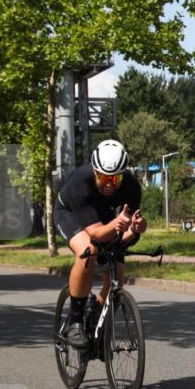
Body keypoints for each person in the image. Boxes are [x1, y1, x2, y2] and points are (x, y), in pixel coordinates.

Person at [53, 140, 147, 348]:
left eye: (115, 178)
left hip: (104, 218)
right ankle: (75, 321)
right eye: (104, 177)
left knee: (117, 279)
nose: (109, 184)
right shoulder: (80, 183)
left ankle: (96, 316)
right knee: (88, 250)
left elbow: (123, 234)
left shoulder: (131, 188)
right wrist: (116, 224)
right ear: (95, 171)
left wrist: (136, 229)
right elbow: (96, 233)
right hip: (70, 215)